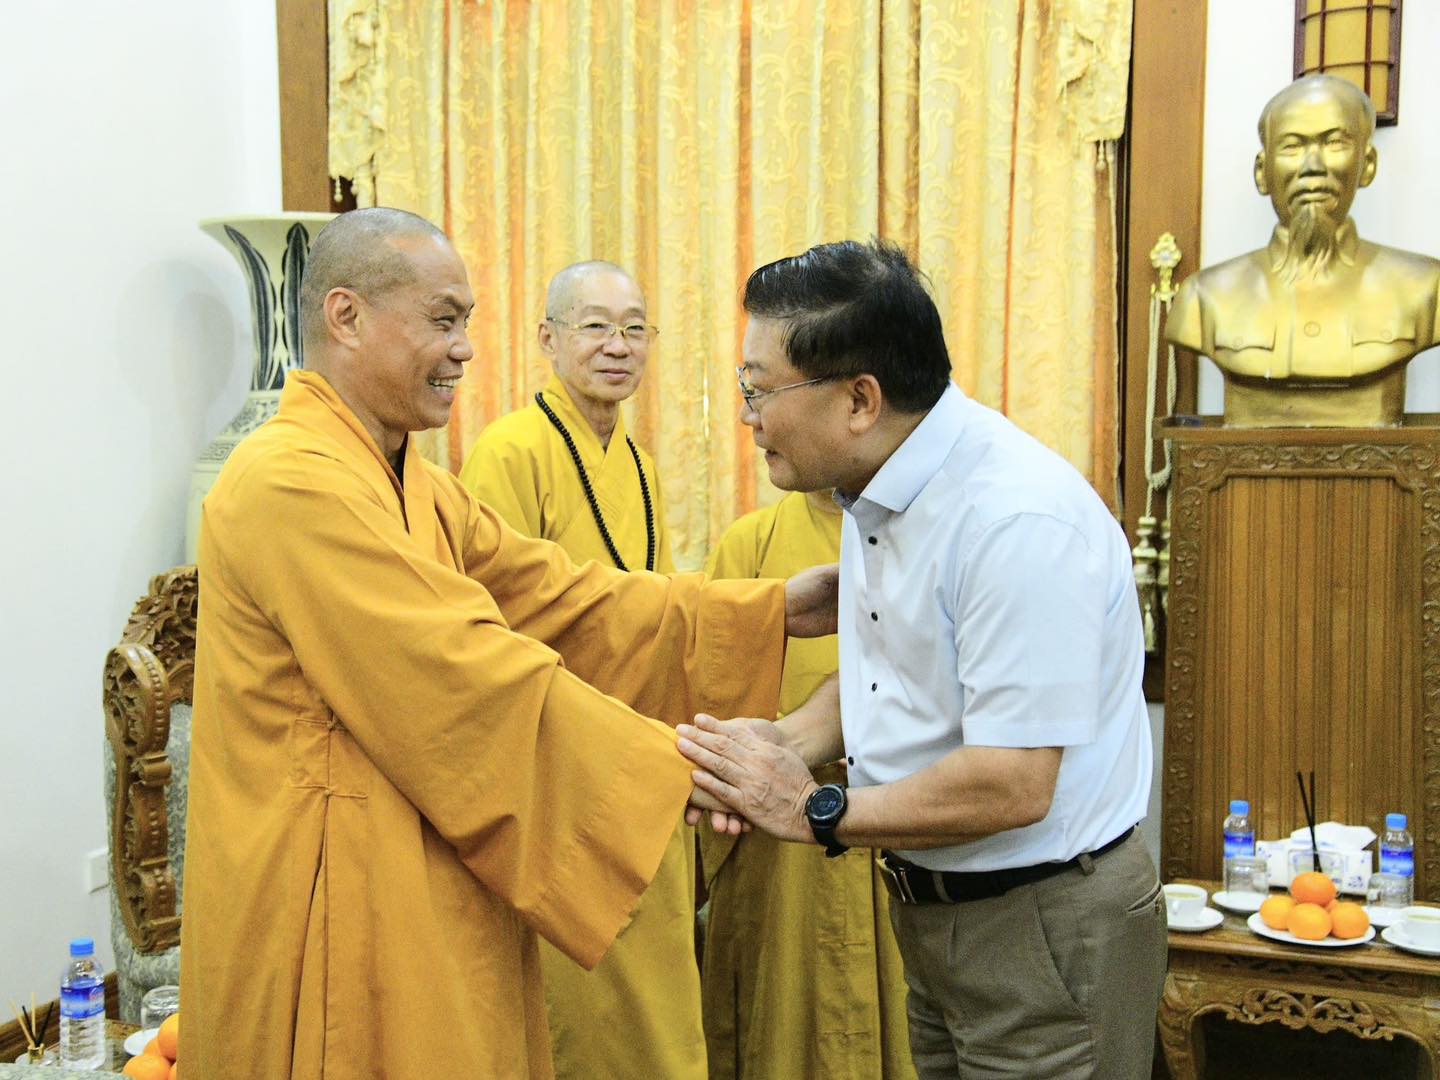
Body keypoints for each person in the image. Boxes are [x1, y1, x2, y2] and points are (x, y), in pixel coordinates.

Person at [178, 207, 835, 1080]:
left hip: (431, 862)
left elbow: (561, 600)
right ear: (346, 317)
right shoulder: (287, 481)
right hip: (330, 887)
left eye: (467, 323)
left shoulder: (418, 483)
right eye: (443, 320)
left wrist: (770, 612)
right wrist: (675, 768)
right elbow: (458, 673)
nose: (464, 350)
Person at [678, 239, 1166, 1079]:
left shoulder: (1013, 522)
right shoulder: (878, 487)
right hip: (934, 914)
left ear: (859, 399)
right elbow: (892, 669)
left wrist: (812, 809)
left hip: (1041, 923)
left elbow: (1012, 781)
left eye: (760, 389)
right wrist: (785, 744)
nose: (749, 416)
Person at [457, 262, 697, 1079]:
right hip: (559, 766)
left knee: (659, 1005)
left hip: (641, 754)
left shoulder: (640, 463)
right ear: (548, 339)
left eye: (634, 328)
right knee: (581, 1013)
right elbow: (490, 619)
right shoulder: (510, 451)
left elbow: (652, 605)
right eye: (595, 325)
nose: (617, 346)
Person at [702, 489, 915, 1080]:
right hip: (779, 854)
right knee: (780, 1029)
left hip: (897, 826)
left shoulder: (921, 535)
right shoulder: (752, 543)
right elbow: (710, 698)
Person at [1167, 73, 1440, 427]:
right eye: (1292, 146)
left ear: (1367, 164)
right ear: (1262, 172)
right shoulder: (1204, 297)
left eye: (1335, 143)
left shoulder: (1425, 287)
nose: (1313, 166)